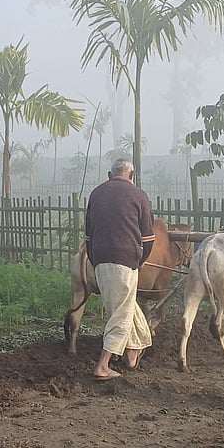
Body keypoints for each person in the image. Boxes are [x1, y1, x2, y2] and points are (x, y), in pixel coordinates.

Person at [84, 158, 155, 381]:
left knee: (124, 306)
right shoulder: (138, 195)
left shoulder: (96, 194)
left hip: (100, 260)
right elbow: (148, 238)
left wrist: (95, 260)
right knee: (121, 315)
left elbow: (88, 235)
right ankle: (103, 366)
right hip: (125, 261)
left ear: (110, 175)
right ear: (131, 176)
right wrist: (140, 260)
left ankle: (132, 353)